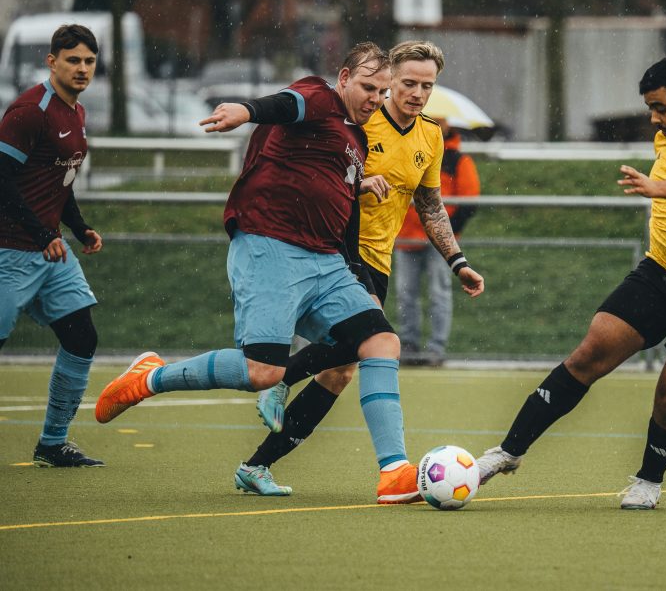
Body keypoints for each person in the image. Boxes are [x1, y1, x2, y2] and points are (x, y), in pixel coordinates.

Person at [93, 43, 427, 504]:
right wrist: (247, 111)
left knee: (380, 342)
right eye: (368, 87)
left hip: (327, 262)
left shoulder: (358, 140)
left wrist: (363, 287)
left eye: (382, 90)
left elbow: (346, 225)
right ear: (345, 77)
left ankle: (394, 472)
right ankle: (151, 377)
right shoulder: (318, 96)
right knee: (262, 372)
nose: (375, 97)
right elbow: (287, 105)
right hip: (270, 245)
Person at [475, 55, 666, 510]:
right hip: (662, 273)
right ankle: (506, 453)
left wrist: (657, 188)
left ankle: (649, 480)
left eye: (660, 106)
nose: (653, 117)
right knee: (590, 351)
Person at [233, 40, 486, 497]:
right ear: (390, 81)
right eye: (408, 83)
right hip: (337, 253)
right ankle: (390, 468)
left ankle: (257, 463)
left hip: (379, 260)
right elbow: (322, 173)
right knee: (374, 344)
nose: (417, 93)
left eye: (427, 85)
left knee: (340, 370)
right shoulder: (362, 123)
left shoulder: (430, 135)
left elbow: (429, 204)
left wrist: (458, 261)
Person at [0, 24, 105, 467]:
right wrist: (44, 234)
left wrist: (78, 229)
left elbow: (58, 183)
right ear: (52, 62)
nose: (82, 69)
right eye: (73, 60)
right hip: (10, 250)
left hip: (52, 252)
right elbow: (3, 181)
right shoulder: (29, 111)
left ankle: (52, 443)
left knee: (82, 337)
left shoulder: (76, 114)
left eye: (89, 61)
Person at [394, 119, 481, 366]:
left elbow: (469, 200)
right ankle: (409, 344)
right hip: (407, 236)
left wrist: (444, 234)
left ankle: (435, 348)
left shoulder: (457, 160)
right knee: (406, 294)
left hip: (437, 243)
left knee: (438, 293)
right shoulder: (409, 149)